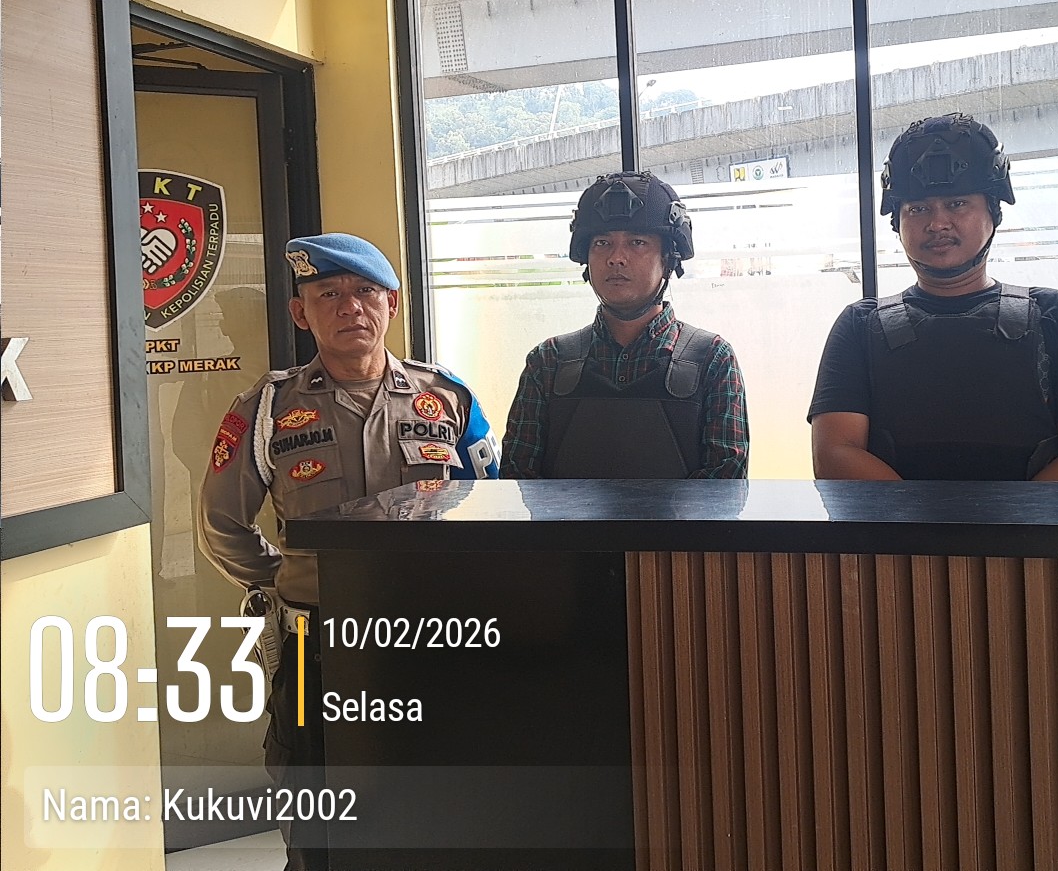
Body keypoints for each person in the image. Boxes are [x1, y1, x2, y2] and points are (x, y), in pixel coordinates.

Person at [198, 233, 499, 870]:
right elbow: (222, 523)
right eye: (328, 294)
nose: (350, 307)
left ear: (393, 303)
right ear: (300, 312)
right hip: (314, 641)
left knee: (437, 797)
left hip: (432, 634)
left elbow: (495, 506)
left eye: (365, 291)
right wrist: (292, 581)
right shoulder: (267, 407)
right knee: (313, 803)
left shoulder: (448, 398)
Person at [809, 113, 1058, 480]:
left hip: (1032, 521)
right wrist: (919, 518)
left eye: (957, 203)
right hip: (896, 521)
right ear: (898, 224)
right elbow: (834, 454)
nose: (937, 223)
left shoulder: (1055, 313)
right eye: (918, 209)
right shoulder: (860, 325)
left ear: (993, 212)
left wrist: (1011, 517)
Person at [500, 171, 749, 478]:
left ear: (668, 258)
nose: (616, 258)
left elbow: (725, 484)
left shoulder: (711, 359)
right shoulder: (548, 361)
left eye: (637, 242)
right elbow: (517, 479)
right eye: (602, 243)